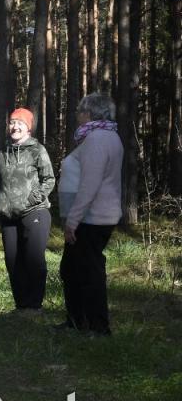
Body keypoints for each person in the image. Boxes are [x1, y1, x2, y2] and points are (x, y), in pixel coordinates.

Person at [58, 93, 123, 336]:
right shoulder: (107, 136)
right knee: (73, 269)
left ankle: (96, 326)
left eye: (79, 111)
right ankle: (78, 321)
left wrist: (72, 221)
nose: (77, 115)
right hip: (94, 215)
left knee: (87, 271)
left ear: (89, 113)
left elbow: (90, 184)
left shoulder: (97, 139)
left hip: (91, 217)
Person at [0, 107, 56, 313]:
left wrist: (32, 199)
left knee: (34, 259)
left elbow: (49, 180)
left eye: (20, 123)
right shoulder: (2, 152)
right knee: (12, 261)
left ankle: (34, 305)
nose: (15, 126)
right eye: (12, 122)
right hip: (8, 215)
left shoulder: (37, 150)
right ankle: (21, 306)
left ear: (28, 128)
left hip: (35, 212)